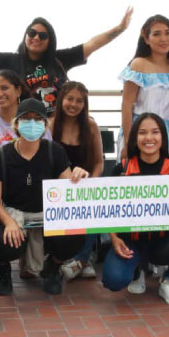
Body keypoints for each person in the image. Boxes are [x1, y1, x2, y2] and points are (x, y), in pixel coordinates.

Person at [0, 9, 133, 115]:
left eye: (42, 35)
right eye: (32, 33)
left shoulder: (60, 58)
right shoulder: (13, 61)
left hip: (57, 123)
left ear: (50, 40)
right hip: (25, 124)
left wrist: (120, 28)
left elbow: (92, 44)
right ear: (25, 36)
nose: (36, 38)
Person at [0, 98, 89, 296]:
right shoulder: (1, 156)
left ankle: (52, 267)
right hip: (15, 215)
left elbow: (67, 188)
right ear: (16, 124)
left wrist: (79, 175)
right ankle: (3, 267)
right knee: (3, 242)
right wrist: (9, 222)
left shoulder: (54, 151)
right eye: (26, 119)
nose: (32, 124)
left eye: (37, 119)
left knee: (76, 236)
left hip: (47, 215)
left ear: (45, 124)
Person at [102, 113, 169, 304]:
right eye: (142, 133)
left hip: (165, 240)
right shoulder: (122, 169)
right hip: (132, 241)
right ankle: (136, 271)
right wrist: (114, 238)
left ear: (163, 137)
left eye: (155, 132)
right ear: (134, 138)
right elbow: (110, 213)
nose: (149, 138)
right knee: (113, 280)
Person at [0, 70, 51, 220]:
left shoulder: (34, 116)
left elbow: (47, 152)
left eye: (4, 88)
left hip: (34, 179)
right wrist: (10, 177)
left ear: (18, 90)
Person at [50, 81, 103, 280]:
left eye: (79, 101)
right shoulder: (50, 125)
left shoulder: (90, 125)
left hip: (85, 185)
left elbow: (98, 162)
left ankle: (81, 259)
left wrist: (92, 184)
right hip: (59, 187)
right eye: (70, 99)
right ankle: (70, 257)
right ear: (61, 100)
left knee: (92, 208)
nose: (74, 104)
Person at [117, 14, 169, 160]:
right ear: (146, 39)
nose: (164, 38)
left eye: (168, 33)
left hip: (168, 133)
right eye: (157, 34)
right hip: (140, 132)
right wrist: (129, 142)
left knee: (168, 179)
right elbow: (127, 105)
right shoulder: (138, 64)